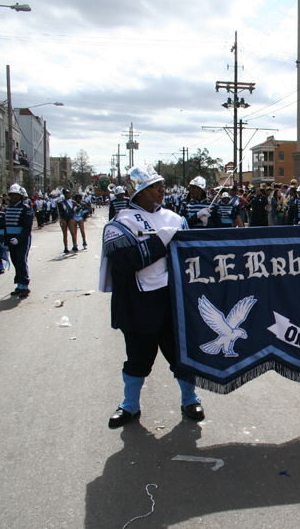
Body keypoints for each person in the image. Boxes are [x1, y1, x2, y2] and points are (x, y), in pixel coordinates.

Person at [100, 165, 204, 428]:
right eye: (154, 186)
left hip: (174, 300)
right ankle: (130, 406)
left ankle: (190, 399)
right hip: (138, 303)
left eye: (161, 185)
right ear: (140, 192)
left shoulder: (175, 218)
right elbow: (127, 261)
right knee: (138, 359)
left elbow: (195, 257)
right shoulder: (118, 224)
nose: (161, 190)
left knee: (182, 355)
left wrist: (206, 225)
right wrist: (161, 241)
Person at [5, 183, 34, 298]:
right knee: (15, 262)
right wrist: (6, 241)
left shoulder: (26, 209)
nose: (14, 197)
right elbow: (6, 226)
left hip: (22, 239)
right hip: (11, 239)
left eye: (16, 195)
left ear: (20, 196)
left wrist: (18, 238)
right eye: (12, 195)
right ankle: (19, 285)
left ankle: (25, 285)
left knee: (21, 261)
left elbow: (27, 229)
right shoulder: (8, 208)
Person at [58, 189, 79, 253]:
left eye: (69, 193)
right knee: (65, 234)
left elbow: (79, 207)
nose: (69, 195)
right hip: (64, 217)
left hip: (70, 217)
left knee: (73, 232)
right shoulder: (61, 202)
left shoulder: (72, 202)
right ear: (65, 194)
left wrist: (76, 210)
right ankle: (66, 247)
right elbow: (60, 212)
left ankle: (75, 245)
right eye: (67, 193)